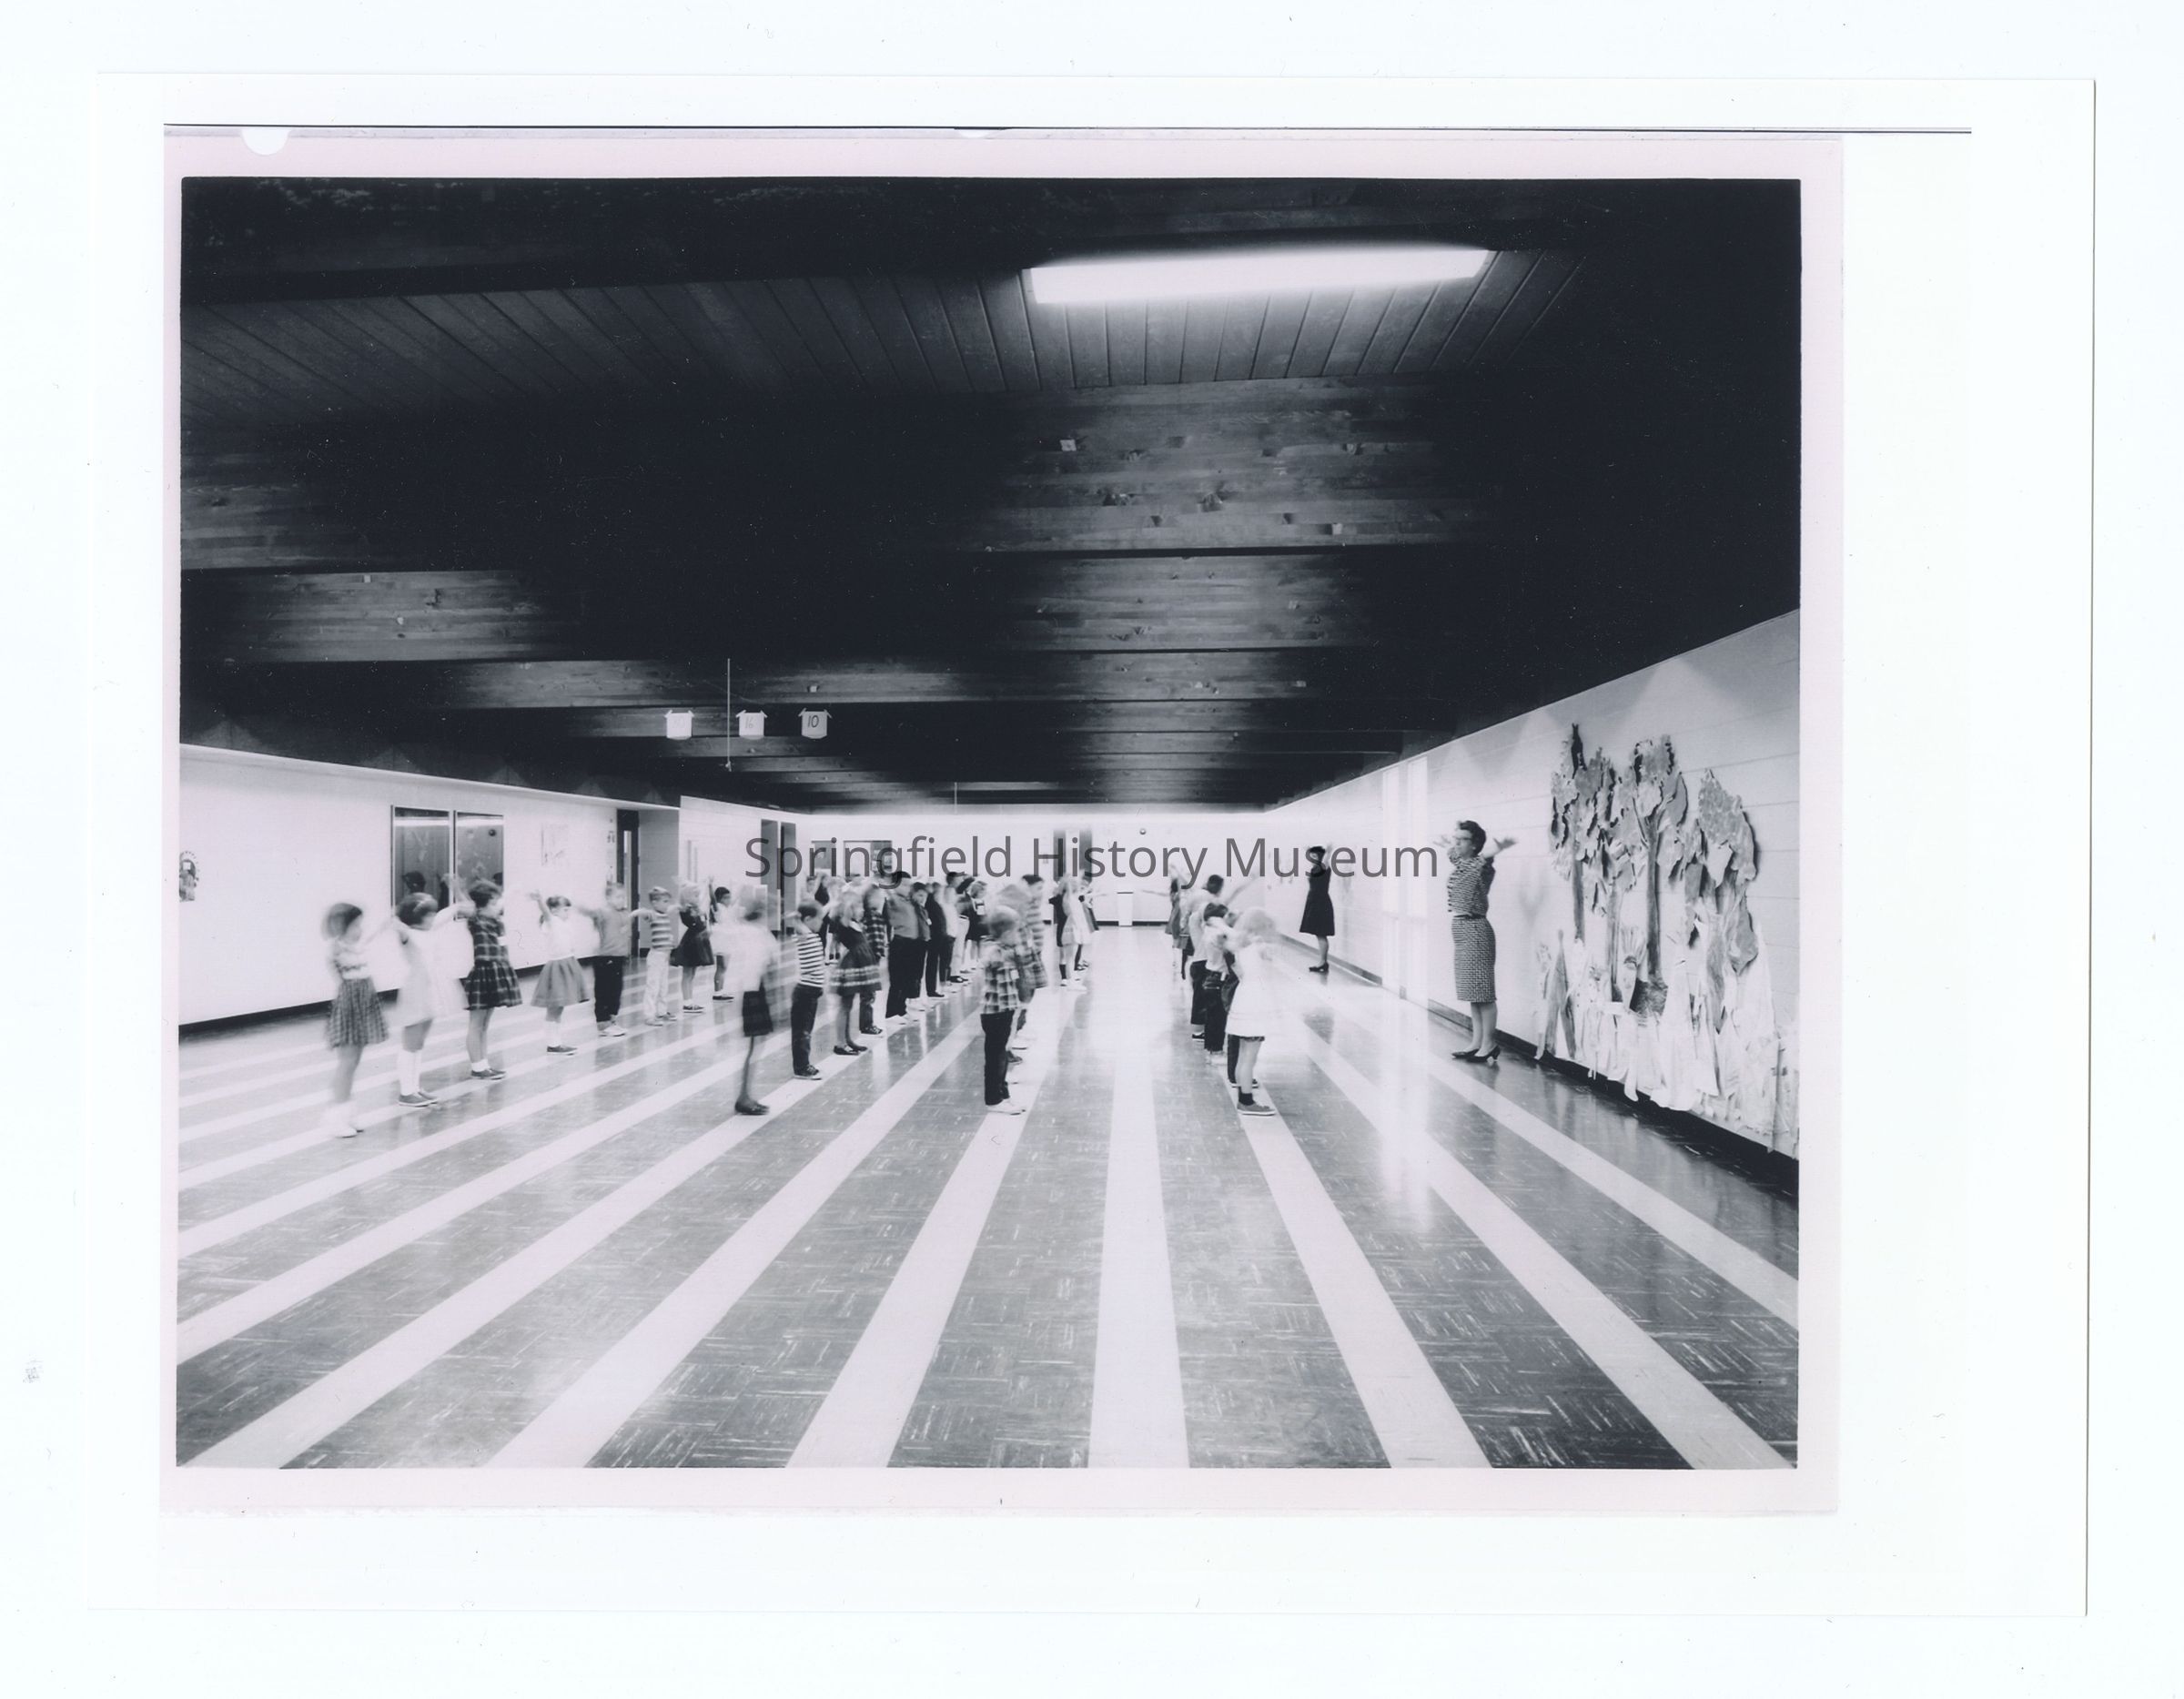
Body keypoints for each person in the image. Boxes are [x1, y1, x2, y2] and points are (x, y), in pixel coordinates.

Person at [1446, 821, 1517, 1062]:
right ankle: (1476, 1042)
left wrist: (1497, 849)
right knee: (1472, 991)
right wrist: (1451, 842)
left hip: (1475, 929)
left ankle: (1489, 1044)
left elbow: (1482, 860)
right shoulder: (1462, 863)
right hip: (1462, 929)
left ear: (1475, 844)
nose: (1456, 844)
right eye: (1455, 839)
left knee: (1483, 992)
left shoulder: (1480, 867)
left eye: (1462, 839)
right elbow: (1453, 855)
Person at [322, 903, 389, 1135]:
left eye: (360, 925)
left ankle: (346, 1114)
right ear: (341, 926)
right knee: (347, 1062)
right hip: (349, 1006)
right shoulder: (336, 948)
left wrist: (385, 924)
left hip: (363, 1004)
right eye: (355, 925)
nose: (360, 930)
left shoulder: (356, 945)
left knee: (354, 1062)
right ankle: (336, 1117)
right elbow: (336, 957)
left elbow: (371, 935)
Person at [386, 892, 452, 1107]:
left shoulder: (429, 932)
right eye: (428, 914)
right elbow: (395, 924)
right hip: (415, 991)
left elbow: (446, 915)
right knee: (410, 1043)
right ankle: (406, 1092)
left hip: (430, 990)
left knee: (419, 1043)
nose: (433, 917)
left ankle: (414, 1087)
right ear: (417, 917)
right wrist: (398, 914)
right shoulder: (408, 934)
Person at [716, 886, 778, 1115]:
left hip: (753, 991)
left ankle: (745, 1094)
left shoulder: (755, 932)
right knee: (753, 1046)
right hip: (751, 992)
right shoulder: (753, 933)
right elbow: (762, 965)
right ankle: (743, 1096)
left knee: (755, 1046)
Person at [1220, 907, 1282, 1115]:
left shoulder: (1240, 946)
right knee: (1249, 1058)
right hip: (1256, 1002)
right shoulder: (1260, 946)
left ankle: (1243, 1098)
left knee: (1243, 1055)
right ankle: (1246, 1102)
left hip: (1244, 998)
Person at [459, 881, 521, 1080]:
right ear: (482, 906)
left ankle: (483, 1064)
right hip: (483, 973)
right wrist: (457, 890)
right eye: (493, 904)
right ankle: (477, 1067)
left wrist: (511, 890)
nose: (498, 907)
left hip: (496, 972)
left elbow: (499, 902)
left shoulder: (496, 921)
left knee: (485, 1025)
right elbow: (470, 906)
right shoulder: (476, 920)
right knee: (477, 1023)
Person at [526, 891, 592, 1054]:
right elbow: (545, 912)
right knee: (554, 1007)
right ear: (554, 910)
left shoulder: (564, 923)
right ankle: (553, 1043)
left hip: (568, 963)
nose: (568, 913)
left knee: (559, 1007)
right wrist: (539, 900)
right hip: (557, 967)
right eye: (565, 910)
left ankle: (556, 1042)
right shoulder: (551, 921)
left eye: (569, 910)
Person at [978, 907, 1026, 1115]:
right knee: (995, 1057)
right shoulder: (995, 951)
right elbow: (987, 961)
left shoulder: (1007, 951)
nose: (1018, 936)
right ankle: (993, 1099)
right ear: (1006, 933)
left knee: (1001, 1056)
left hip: (1004, 1011)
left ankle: (1003, 1095)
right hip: (995, 1013)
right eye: (1016, 932)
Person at [575, 882, 634, 1039]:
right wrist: (579, 906)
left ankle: (612, 1021)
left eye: (623, 897)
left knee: (616, 991)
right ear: (608, 898)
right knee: (604, 992)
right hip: (605, 958)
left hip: (618, 958)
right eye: (618, 897)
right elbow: (590, 913)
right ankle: (603, 1023)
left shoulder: (624, 913)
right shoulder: (604, 912)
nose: (621, 900)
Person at [827, 883, 879, 1057]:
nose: (862, 910)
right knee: (844, 1006)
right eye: (859, 906)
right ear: (850, 908)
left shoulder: (856, 924)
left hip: (858, 965)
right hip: (851, 967)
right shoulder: (844, 924)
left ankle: (847, 1040)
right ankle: (840, 1043)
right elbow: (838, 915)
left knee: (848, 1005)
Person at [786, 899, 827, 1078]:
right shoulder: (803, 936)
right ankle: (802, 1068)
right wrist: (795, 918)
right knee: (802, 1032)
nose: (822, 923)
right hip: (805, 992)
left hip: (811, 992)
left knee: (805, 1031)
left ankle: (803, 1065)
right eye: (819, 919)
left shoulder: (811, 934)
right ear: (808, 920)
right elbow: (799, 925)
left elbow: (816, 914)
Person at [637, 885, 681, 1025]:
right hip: (656, 956)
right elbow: (642, 912)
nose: (667, 905)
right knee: (653, 986)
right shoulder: (653, 915)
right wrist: (635, 913)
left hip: (665, 956)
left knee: (663, 986)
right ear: (655, 903)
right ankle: (649, 1015)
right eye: (665, 902)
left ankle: (662, 1012)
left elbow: (674, 907)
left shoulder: (664, 915)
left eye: (668, 902)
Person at [672, 882, 714, 1013]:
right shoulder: (686, 910)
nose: (698, 898)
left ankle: (690, 1001)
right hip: (691, 942)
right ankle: (687, 1002)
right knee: (687, 973)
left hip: (699, 942)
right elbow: (690, 922)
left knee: (692, 974)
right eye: (695, 895)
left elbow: (703, 923)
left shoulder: (698, 910)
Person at [1299, 845, 1336, 975]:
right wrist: (1308, 850)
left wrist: (1329, 851)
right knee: (1319, 934)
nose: (1312, 858)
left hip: (1320, 903)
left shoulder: (1323, 868)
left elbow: (1326, 859)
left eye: (1315, 856)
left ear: (1320, 857)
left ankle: (1323, 962)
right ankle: (1322, 961)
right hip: (1315, 903)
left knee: (1321, 933)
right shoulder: (1316, 868)